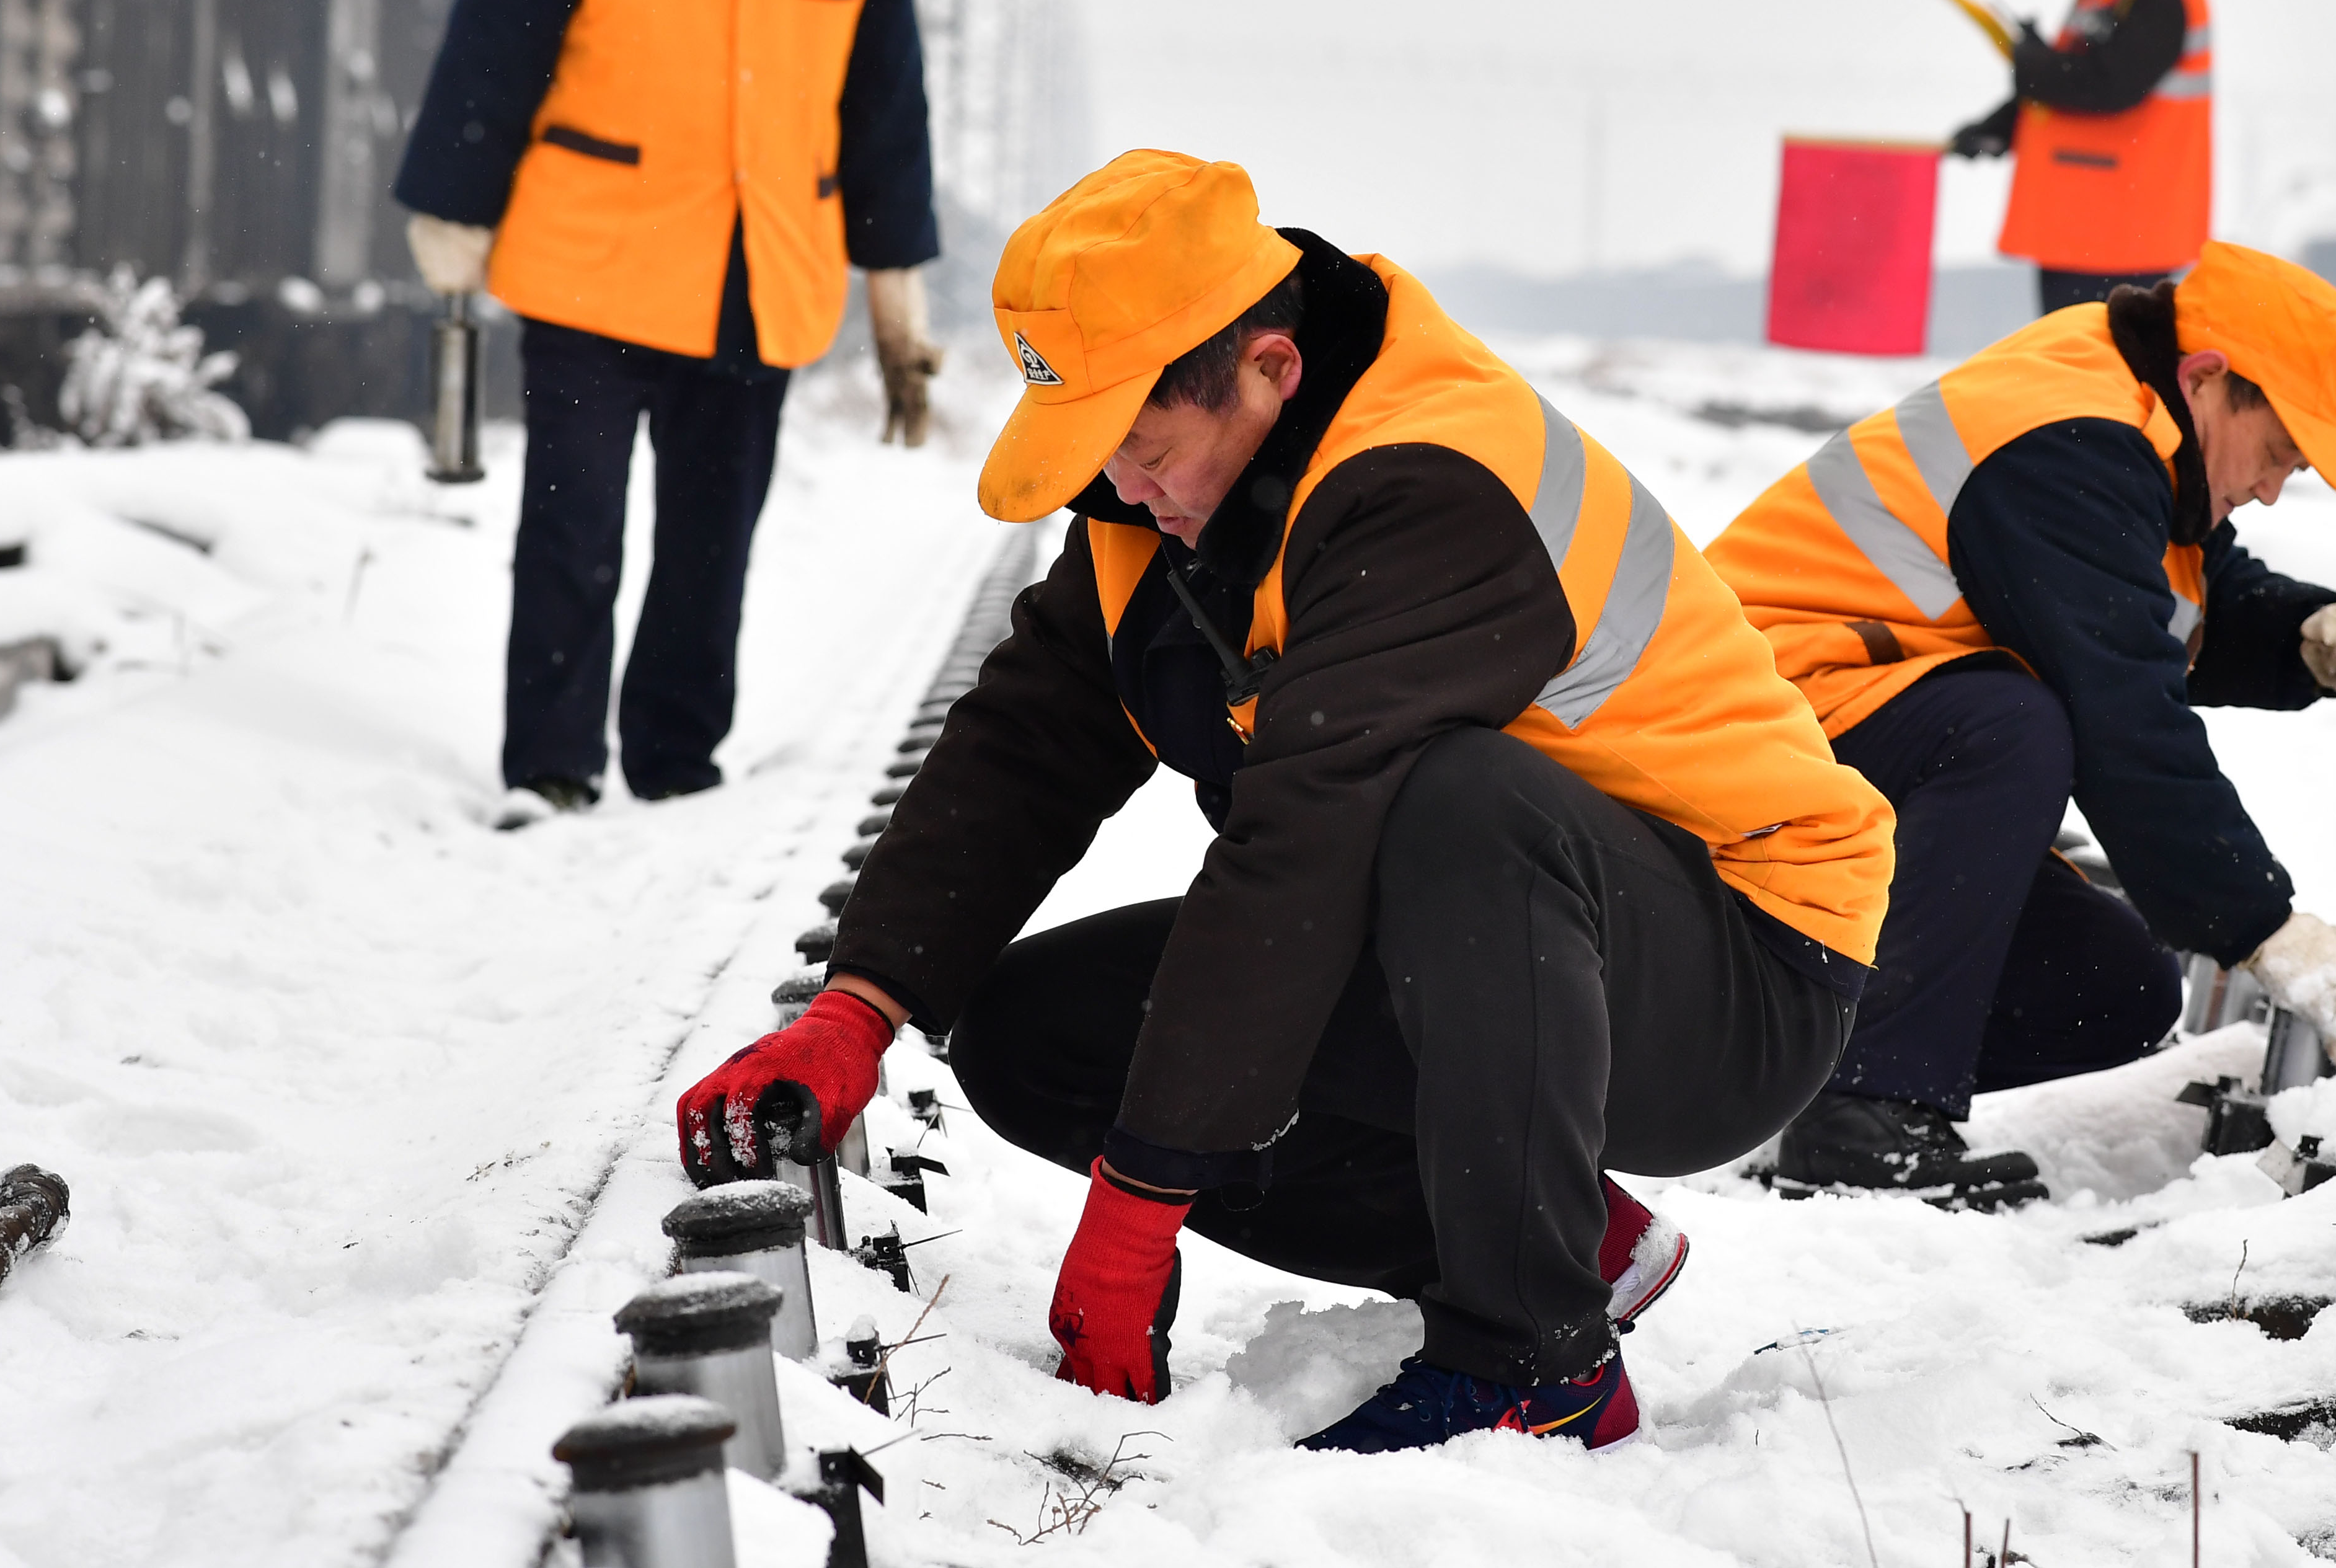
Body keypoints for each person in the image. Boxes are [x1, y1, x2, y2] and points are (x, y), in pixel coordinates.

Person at [673, 151, 1895, 1451]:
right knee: (1039, 1033)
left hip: (1733, 969)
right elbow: (1034, 733)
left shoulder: (1433, 477)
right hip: (1497, 951)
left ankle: (1536, 1355)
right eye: (1100, 458)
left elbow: (1302, 852)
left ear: (1270, 367)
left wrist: (1139, 1201)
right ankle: (1564, 1235)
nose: (1128, 491)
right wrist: (863, 1000)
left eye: (1145, 450)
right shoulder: (1162, 495)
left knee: (1454, 795)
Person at [1702, 244, 2336, 1201]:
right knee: (2018, 721)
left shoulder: (2134, 426)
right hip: (1747, 731)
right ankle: (1866, 1113)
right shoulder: (2068, 437)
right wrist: (2268, 928)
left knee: (2113, 986)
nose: (2277, 486)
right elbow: (2120, 707)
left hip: (1860, 733)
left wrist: (2319, 635)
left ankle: (1782, 1076)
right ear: (2208, 380)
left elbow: (2161, 600)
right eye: (2280, 451)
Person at [392, 0, 944, 828]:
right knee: (572, 524)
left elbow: (884, 93)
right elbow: (500, 37)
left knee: (711, 543)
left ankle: (674, 765)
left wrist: (894, 276)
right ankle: (549, 765)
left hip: (763, 267)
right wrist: (453, 200)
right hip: (594, 253)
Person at [1947, 0, 2213, 314]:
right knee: (2080, 383)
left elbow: (2111, 83)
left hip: (2122, 235)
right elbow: (2076, 75)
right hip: (2091, 230)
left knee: (2095, 387)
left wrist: (2030, 64)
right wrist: (2004, 123)